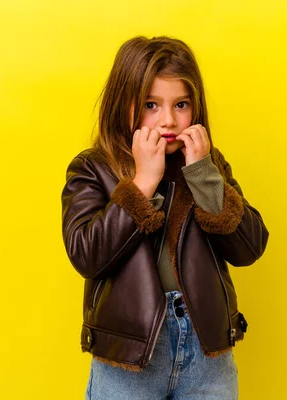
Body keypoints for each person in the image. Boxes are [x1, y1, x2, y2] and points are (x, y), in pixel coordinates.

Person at [61, 35, 269, 400]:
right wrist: (141, 183)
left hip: (206, 355)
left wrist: (204, 175)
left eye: (182, 104)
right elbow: (86, 254)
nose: (168, 120)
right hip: (128, 357)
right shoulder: (93, 167)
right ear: (121, 104)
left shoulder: (205, 164)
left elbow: (249, 247)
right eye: (151, 105)